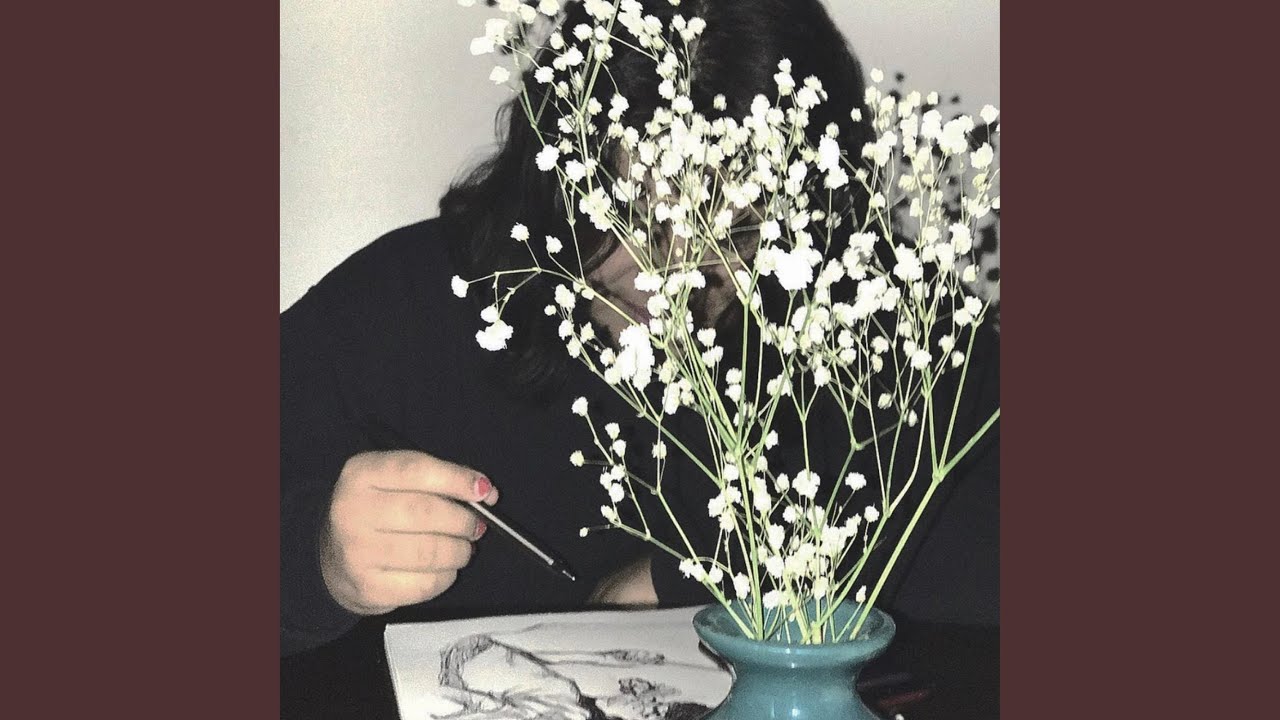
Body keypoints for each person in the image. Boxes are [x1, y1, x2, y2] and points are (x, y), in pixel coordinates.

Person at [281, 0, 999, 657]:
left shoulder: (873, 325)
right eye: (638, 219)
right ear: (559, 173)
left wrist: (691, 580)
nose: (674, 275)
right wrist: (319, 565)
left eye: (735, 230)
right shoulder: (413, 306)